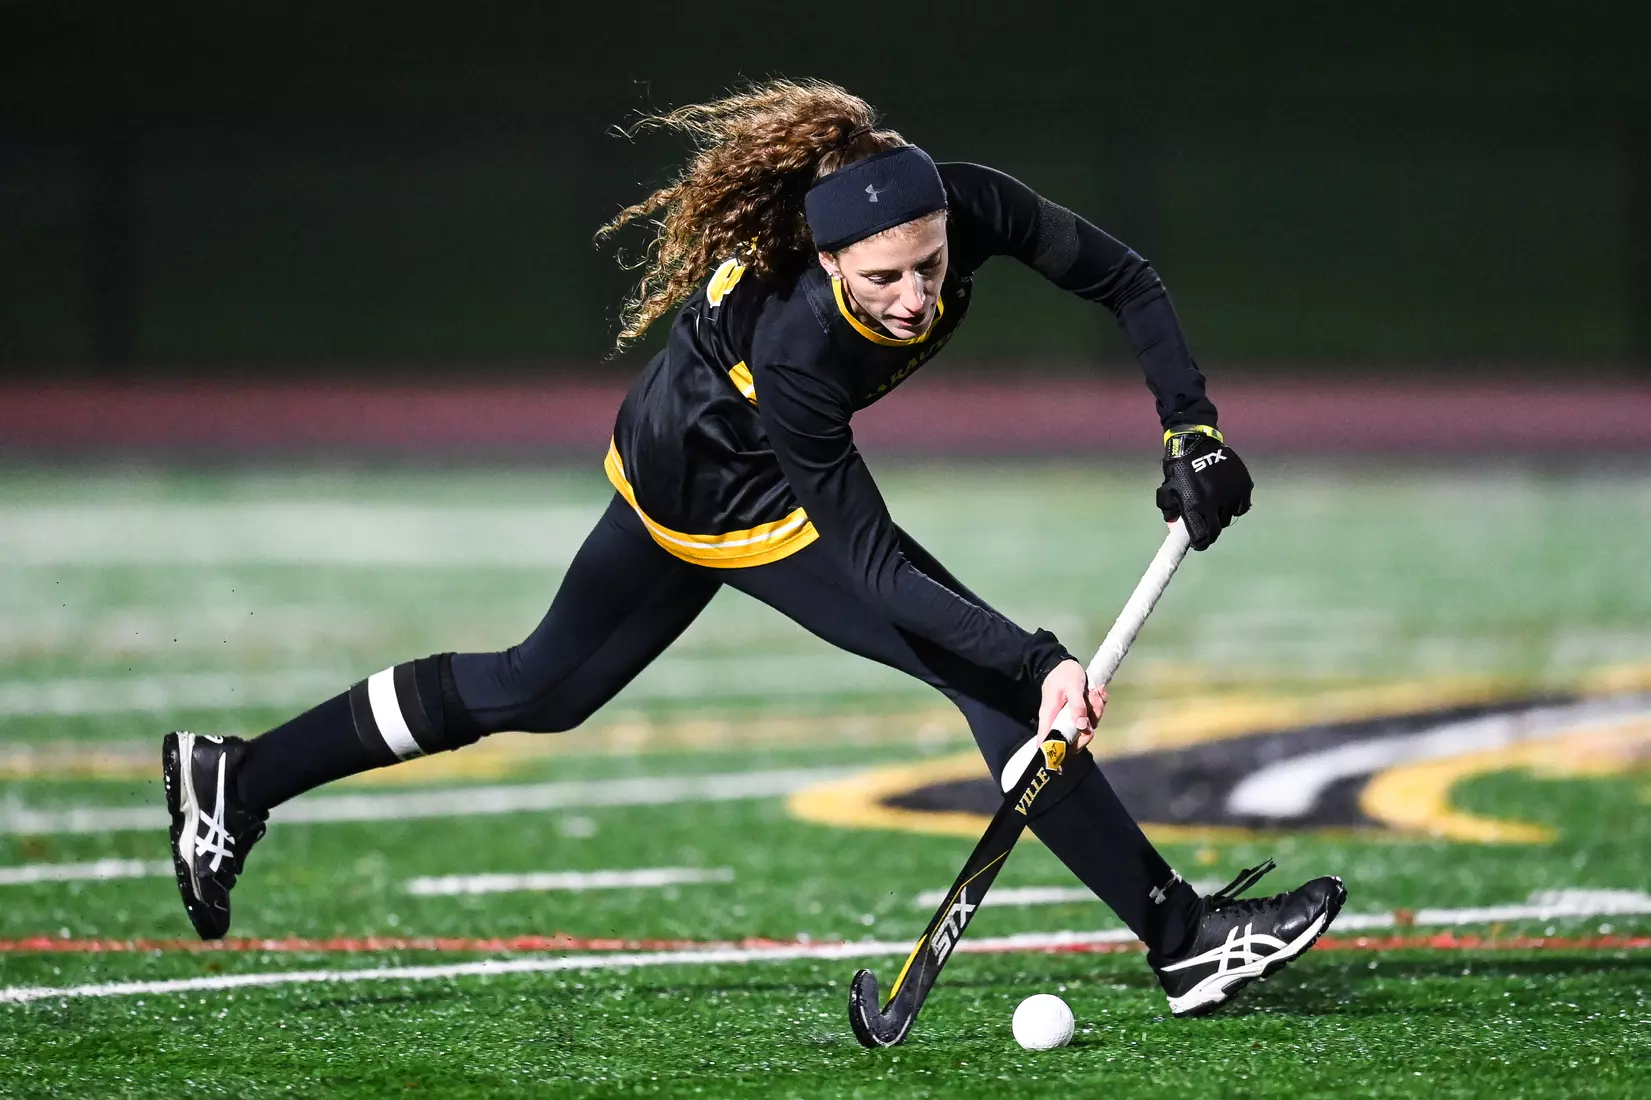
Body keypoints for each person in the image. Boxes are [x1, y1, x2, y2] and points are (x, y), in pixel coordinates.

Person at [162, 78, 1344, 1018]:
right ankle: (1182, 939)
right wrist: (1039, 656)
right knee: (984, 670)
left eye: (931, 262)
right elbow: (875, 563)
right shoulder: (797, 349)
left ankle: (240, 775)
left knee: (541, 686)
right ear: (828, 261)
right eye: (881, 277)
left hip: (702, 438)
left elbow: (1125, 278)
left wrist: (1191, 426)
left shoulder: (962, 201)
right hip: (717, 477)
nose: (914, 295)